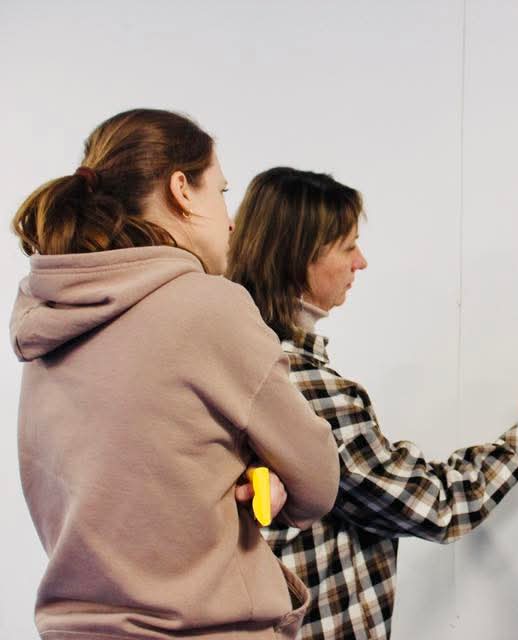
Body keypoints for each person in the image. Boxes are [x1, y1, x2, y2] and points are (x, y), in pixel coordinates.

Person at [12, 110, 340, 640]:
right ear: (181, 189)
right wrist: (266, 468)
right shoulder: (209, 305)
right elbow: (319, 480)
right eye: (222, 192)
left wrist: (242, 465)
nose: (231, 221)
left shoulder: (50, 315)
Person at [227, 167, 518, 640]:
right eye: (348, 246)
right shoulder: (303, 387)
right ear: (300, 256)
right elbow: (437, 506)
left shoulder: (233, 353)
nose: (361, 262)